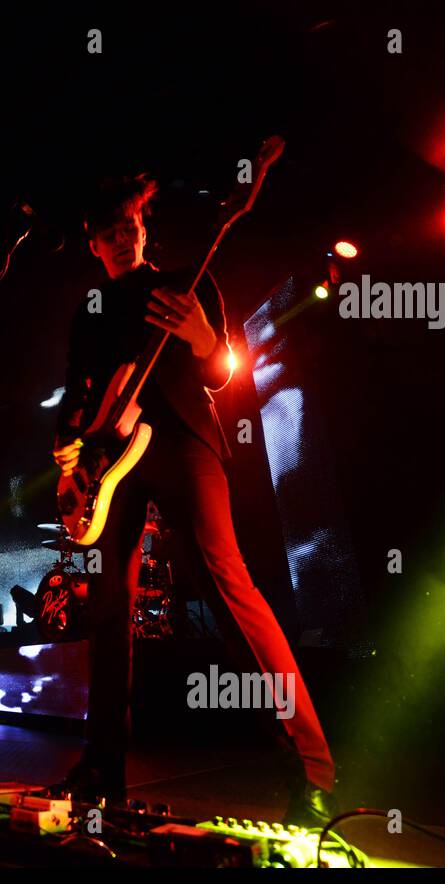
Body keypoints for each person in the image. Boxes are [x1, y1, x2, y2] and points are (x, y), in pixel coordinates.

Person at [50, 174, 337, 825]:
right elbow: (74, 394)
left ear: (144, 228)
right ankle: (102, 767)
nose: (120, 239)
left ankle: (311, 768)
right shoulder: (88, 312)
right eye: (107, 232)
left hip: (180, 437)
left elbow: (220, 372)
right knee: (106, 612)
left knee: (225, 581)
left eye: (129, 226)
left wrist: (204, 333)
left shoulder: (187, 280)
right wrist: (66, 453)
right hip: (107, 467)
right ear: (93, 243)